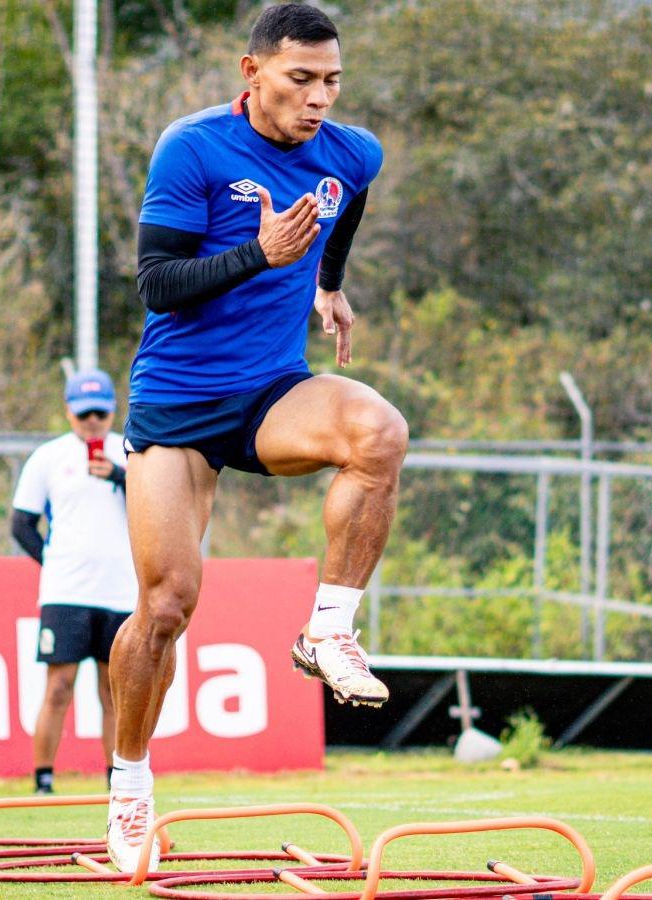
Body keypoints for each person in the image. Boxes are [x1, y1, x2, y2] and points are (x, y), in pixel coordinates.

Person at [106, 4, 408, 873]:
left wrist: (331, 285)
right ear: (252, 72)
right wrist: (262, 256)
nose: (318, 99)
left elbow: (343, 209)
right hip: (178, 403)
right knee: (165, 609)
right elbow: (159, 285)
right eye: (299, 80)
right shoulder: (192, 148)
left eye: (332, 81)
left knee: (379, 432)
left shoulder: (353, 152)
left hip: (274, 389)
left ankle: (329, 630)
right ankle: (129, 786)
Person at [11, 369, 136, 794]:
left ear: (113, 410)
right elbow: (22, 523)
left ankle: (116, 781)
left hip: (121, 590)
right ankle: (44, 780)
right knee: (59, 686)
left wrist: (119, 476)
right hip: (66, 592)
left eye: (100, 412)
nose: (92, 421)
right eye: (84, 413)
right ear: (68, 411)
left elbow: (156, 506)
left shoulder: (131, 451)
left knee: (112, 691)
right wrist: (53, 562)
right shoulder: (47, 457)